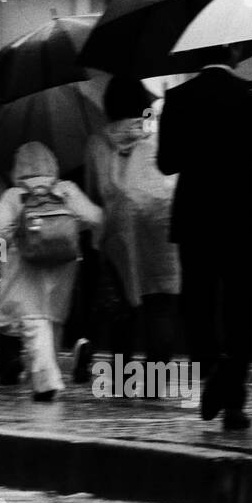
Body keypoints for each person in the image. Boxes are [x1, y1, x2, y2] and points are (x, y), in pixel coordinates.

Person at [157, 45, 252, 431]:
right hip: (244, 218)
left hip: (196, 218)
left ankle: (211, 365)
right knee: (242, 307)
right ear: (236, 52)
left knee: (199, 301)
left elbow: (166, 161)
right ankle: (235, 399)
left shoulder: (178, 98)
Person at [0, 141, 102, 401]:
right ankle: (48, 374)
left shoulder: (15, 196)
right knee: (51, 322)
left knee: (33, 323)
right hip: (63, 267)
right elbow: (94, 218)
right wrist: (70, 229)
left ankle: (45, 381)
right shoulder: (66, 190)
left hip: (24, 268)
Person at [83, 76, 181, 378]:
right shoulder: (158, 132)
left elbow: (92, 193)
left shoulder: (97, 142)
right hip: (161, 228)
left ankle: (122, 374)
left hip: (117, 233)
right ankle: (157, 378)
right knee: (160, 301)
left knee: (122, 304)